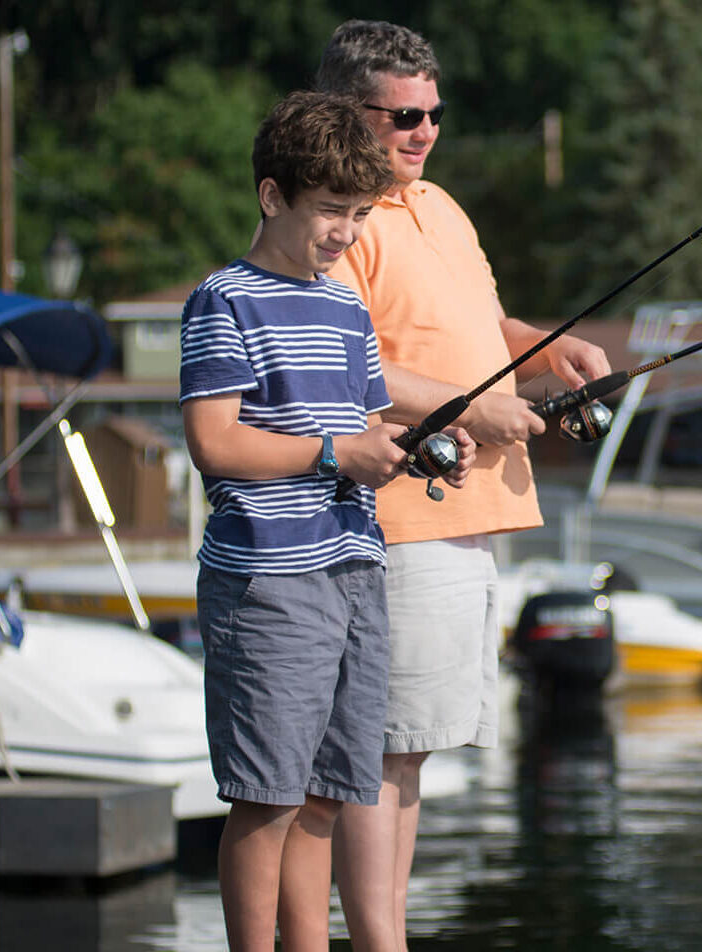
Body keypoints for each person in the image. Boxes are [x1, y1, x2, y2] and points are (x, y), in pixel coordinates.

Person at [316, 20, 613, 949]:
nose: (422, 130)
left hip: (466, 518)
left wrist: (549, 346)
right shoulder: (337, 219)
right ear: (343, 112)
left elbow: (483, 323)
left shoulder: (438, 206)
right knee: (381, 749)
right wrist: (464, 409)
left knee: (411, 751)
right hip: (400, 519)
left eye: (433, 112)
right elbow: (338, 360)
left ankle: (384, 935)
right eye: (401, 114)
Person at [179, 90, 473, 952]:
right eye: (331, 212)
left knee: (324, 794)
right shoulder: (224, 301)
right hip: (268, 578)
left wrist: (410, 447)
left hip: (353, 569)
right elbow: (214, 441)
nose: (346, 232)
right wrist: (335, 453)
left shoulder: (344, 304)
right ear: (274, 197)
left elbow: (362, 423)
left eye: (356, 213)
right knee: (266, 797)